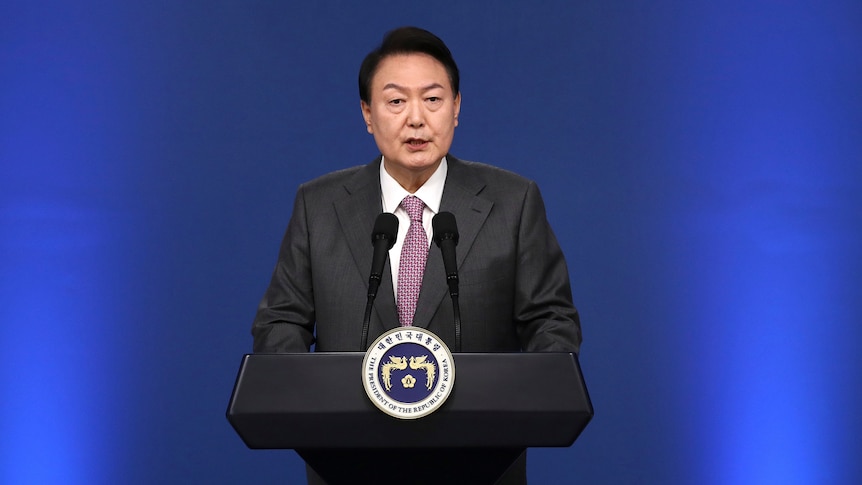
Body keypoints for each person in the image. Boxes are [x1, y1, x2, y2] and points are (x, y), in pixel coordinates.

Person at [252, 26, 581, 485]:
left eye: (432, 99)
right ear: (368, 113)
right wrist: (314, 402)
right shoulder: (319, 204)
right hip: (348, 464)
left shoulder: (513, 201)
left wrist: (519, 401)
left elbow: (552, 321)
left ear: (457, 108)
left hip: (481, 465)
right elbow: (280, 321)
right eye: (395, 101)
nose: (416, 119)